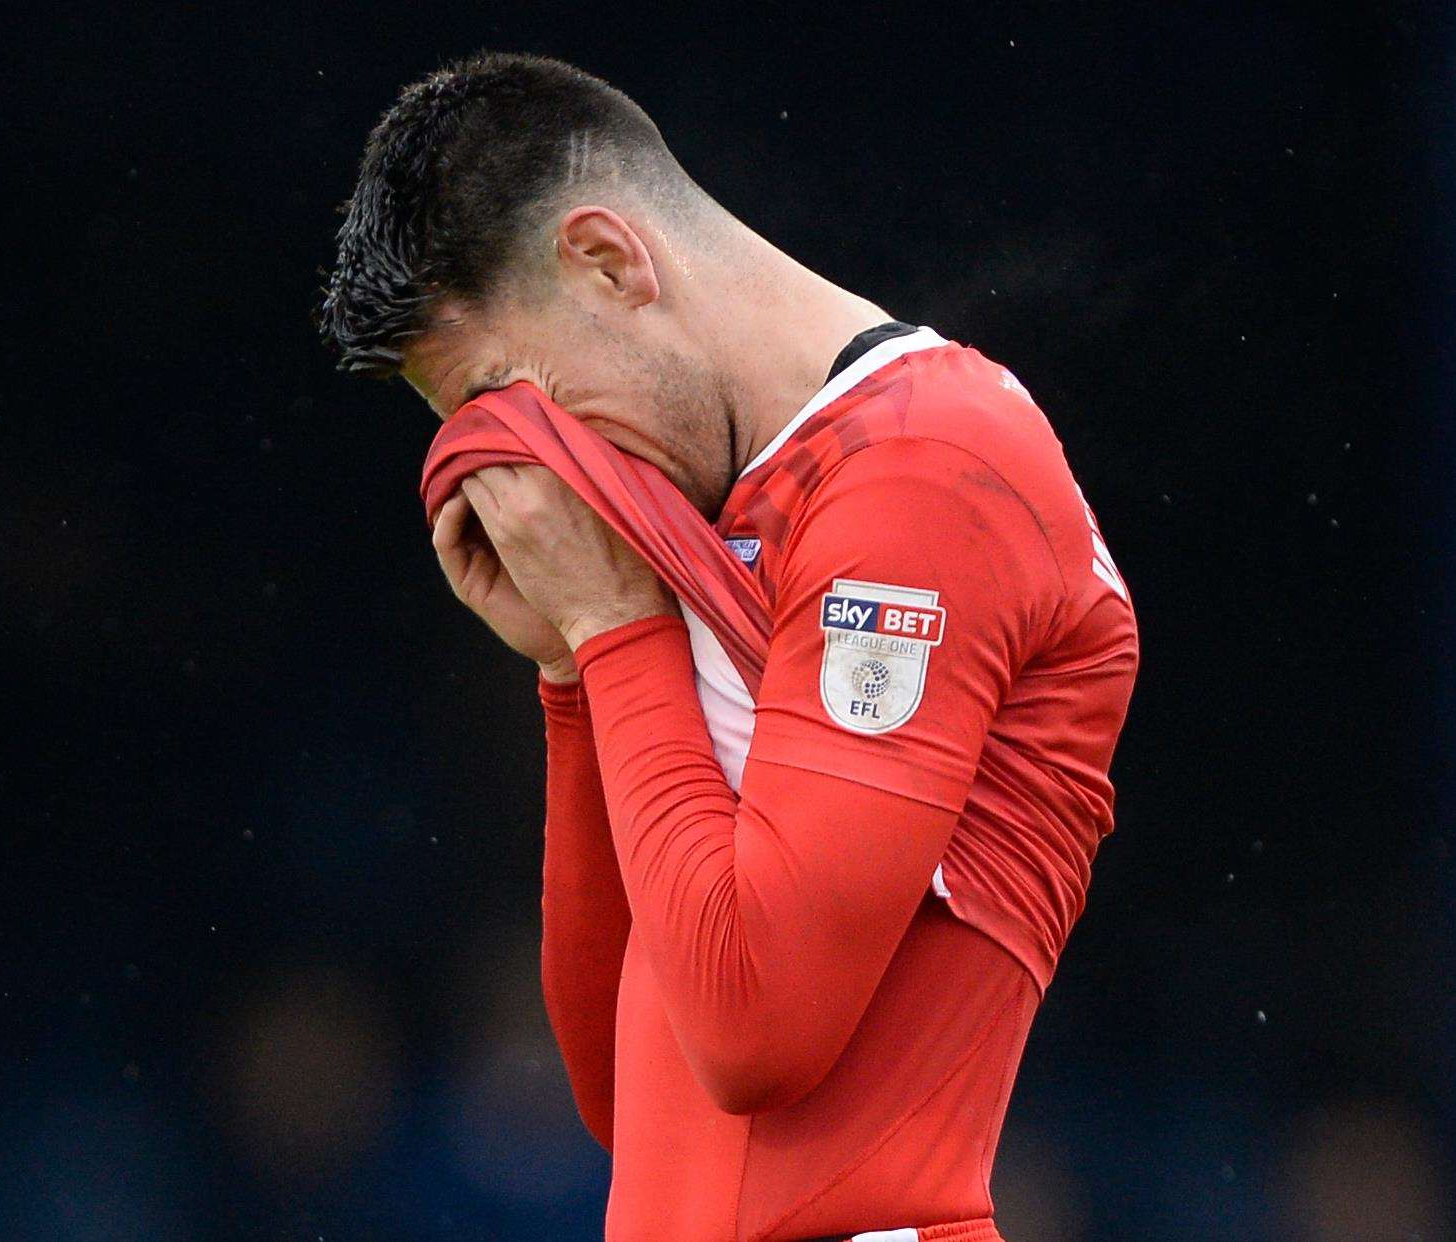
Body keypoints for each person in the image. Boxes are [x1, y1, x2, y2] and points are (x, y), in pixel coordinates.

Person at [319, 52, 1138, 1242]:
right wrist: (570, 676)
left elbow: (755, 1032)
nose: (533, 467)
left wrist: (618, 626)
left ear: (609, 262)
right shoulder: (718, 518)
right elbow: (619, 1089)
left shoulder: (927, 466)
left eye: (512, 397)